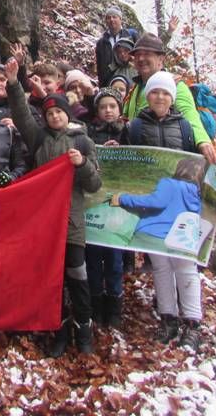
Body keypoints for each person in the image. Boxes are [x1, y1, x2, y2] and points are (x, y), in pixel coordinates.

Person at [4, 59, 101, 357]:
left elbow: (95, 184)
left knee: (78, 278)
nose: (54, 116)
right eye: (49, 113)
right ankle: (58, 330)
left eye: (59, 111)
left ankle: (84, 331)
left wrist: (81, 165)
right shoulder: (39, 138)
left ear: (67, 114)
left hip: (72, 224)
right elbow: (22, 114)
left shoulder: (82, 141)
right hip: (44, 224)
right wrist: (13, 83)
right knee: (53, 280)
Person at [109, 150, 206, 351]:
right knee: (188, 274)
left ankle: (168, 321)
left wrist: (124, 198)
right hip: (185, 238)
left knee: (162, 273)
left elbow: (155, 202)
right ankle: (192, 325)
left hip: (157, 236)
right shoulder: (199, 194)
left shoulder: (169, 184)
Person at [122, 34, 216, 163]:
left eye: (147, 54)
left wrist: (202, 141)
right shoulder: (135, 89)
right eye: (137, 54)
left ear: (161, 59)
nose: (141, 58)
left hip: (169, 162)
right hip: (140, 162)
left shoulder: (175, 85)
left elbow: (189, 115)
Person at [85, 87, 126, 329]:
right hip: (93, 203)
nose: (108, 111)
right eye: (103, 107)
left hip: (118, 206)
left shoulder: (128, 133)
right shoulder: (88, 133)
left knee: (114, 258)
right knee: (92, 257)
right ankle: (96, 303)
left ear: (119, 109)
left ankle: (115, 304)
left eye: (112, 106)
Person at [95, 7, 138, 87]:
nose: (111, 20)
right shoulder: (101, 43)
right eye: (108, 18)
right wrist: (102, 85)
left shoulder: (131, 35)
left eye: (114, 17)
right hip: (109, 80)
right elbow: (100, 67)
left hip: (131, 77)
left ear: (120, 19)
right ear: (106, 21)